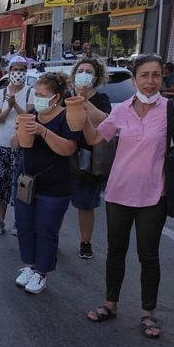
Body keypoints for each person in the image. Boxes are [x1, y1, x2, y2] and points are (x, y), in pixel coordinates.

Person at [84, 54, 174, 338]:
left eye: (156, 75)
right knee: (115, 252)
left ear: (163, 78)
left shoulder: (173, 110)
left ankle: (148, 312)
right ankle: (110, 303)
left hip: (154, 195)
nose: (150, 81)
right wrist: (80, 111)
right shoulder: (121, 110)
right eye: (145, 75)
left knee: (149, 256)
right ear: (134, 79)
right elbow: (96, 139)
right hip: (118, 193)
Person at [11, 72, 80, 294]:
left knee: (46, 230)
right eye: (37, 94)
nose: (39, 99)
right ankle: (29, 266)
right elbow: (15, 145)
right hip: (27, 182)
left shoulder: (66, 117)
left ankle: (42, 272)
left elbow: (68, 149)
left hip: (55, 187)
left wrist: (43, 131)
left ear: (56, 98)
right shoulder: (32, 114)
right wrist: (18, 130)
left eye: (43, 95)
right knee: (25, 226)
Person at [66, 58, 111, 259]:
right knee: (58, 200)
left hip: (88, 159)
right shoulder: (66, 96)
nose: (84, 74)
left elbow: (103, 122)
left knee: (85, 204)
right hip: (64, 154)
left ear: (96, 76)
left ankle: (85, 242)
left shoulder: (101, 99)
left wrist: (84, 100)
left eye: (89, 71)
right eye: (81, 70)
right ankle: (52, 238)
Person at [0, 56, 34, 236]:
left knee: (19, 185)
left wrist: (16, 106)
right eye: (15, 70)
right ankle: (0, 220)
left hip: (21, 146)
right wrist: (8, 107)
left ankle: (18, 221)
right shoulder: (2, 92)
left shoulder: (30, 92)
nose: (18, 73)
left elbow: (29, 117)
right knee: (1, 183)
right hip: (0, 144)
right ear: (9, 71)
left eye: (22, 70)